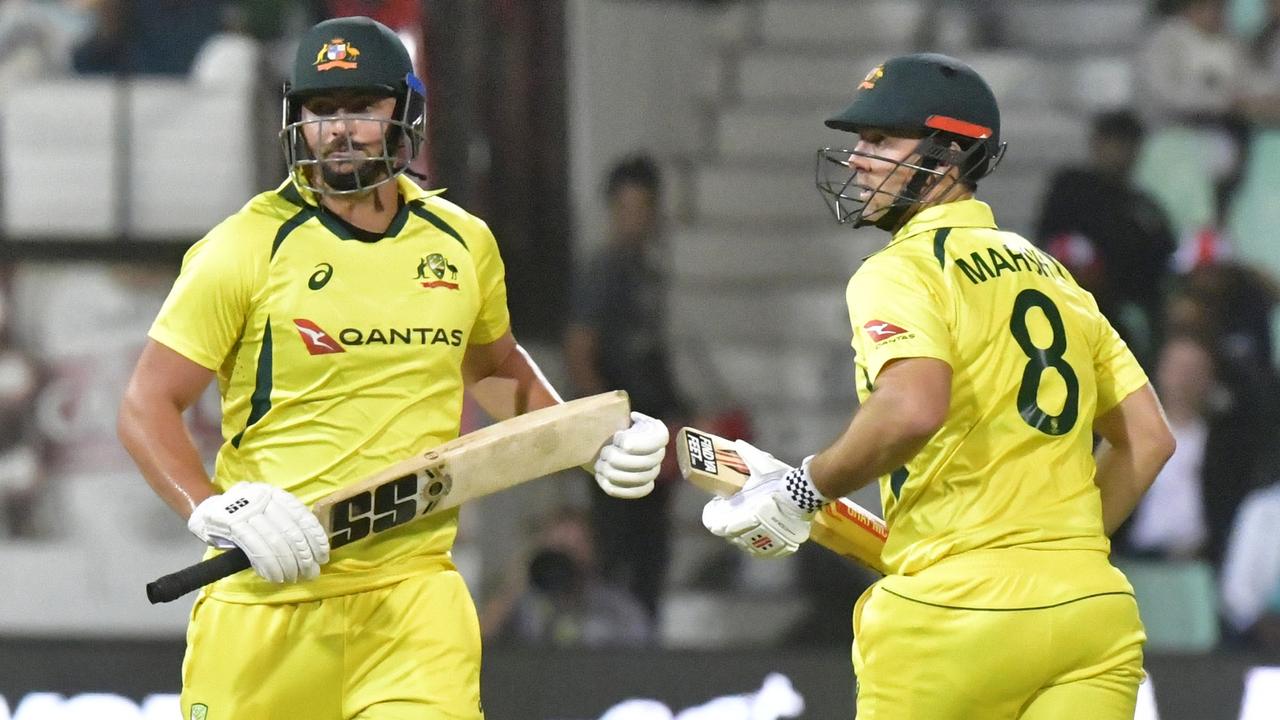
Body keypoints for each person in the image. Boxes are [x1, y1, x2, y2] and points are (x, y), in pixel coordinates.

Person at [116, 16, 668, 719]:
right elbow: (146, 405)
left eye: (361, 107)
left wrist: (582, 439)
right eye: (320, 111)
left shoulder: (463, 243)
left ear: (404, 114)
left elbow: (494, 370)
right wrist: (212, 508)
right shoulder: (242, 249)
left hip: (413, 603)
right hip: (266, 602)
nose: (339, 129)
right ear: (296, 123)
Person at [701, 53, 1176, 719]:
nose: (858, 158)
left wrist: (801, 490)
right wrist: (1050, 558)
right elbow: (1149, 440)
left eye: (879, 140)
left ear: (947, 155)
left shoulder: (901, 271)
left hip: (953, 618)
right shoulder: (1055, 275)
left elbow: (913, 408)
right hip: (1089, 613)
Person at [565, 153, 690, 621]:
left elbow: (653, 358)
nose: (636, 221)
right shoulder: (603, 272)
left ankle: (642, 637)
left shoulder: (647, 273)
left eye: (644, 209)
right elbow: (581, 351)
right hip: (619, 433)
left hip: (648, 427)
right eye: (627, 209)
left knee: (650, 547)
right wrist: (611, 425)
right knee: (617, 543)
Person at [1034, 110, 1177, 369]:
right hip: (1068, 303)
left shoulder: (1145, 208)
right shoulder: (1071, 188)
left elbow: (1163, 261)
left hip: (1123, 314)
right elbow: (1047, 241)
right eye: (1114, 143)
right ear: (1096, 143)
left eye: (1128, 145)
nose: (1121, 153)